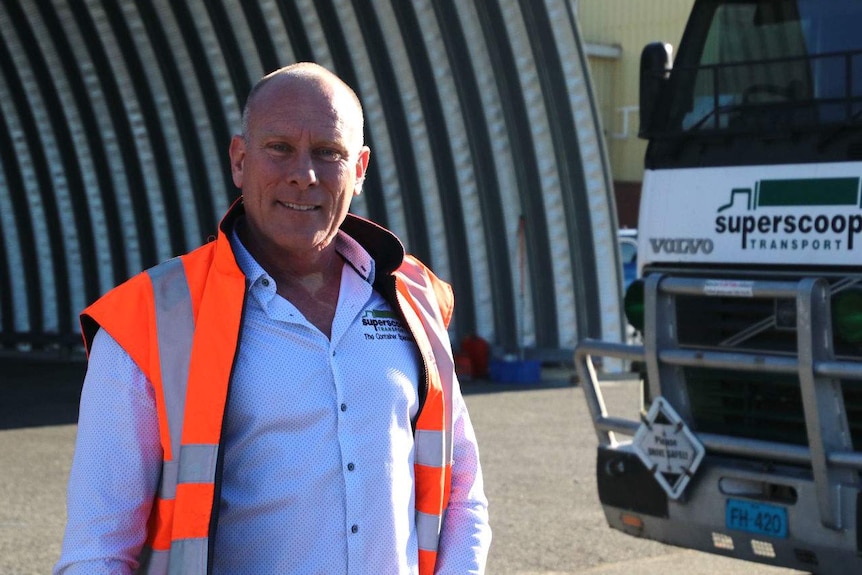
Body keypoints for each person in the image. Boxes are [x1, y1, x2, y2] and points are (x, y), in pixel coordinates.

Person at [55, 62, 491, 574]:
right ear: (239, 159)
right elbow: (98, 553)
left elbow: (463, 495)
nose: (303, 174)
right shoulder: (150, 321)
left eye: (329, 153)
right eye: (279, 147)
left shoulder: (412, 297)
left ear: (360, 169)